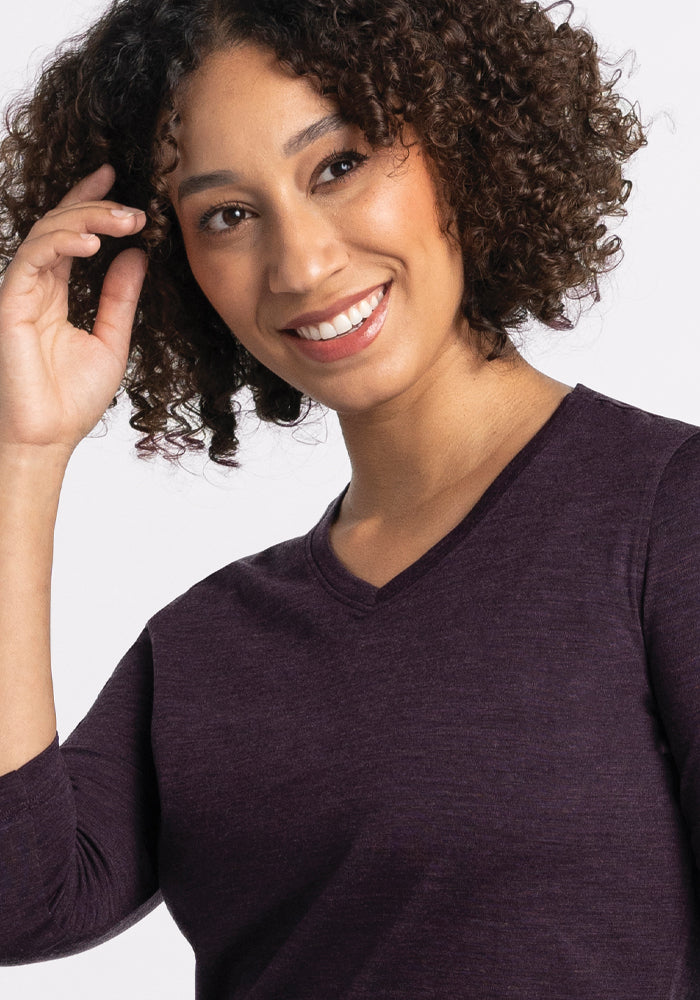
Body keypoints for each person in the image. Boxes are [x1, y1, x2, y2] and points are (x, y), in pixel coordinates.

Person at [0, 0, 698, 997]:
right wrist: (21, 455)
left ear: (458, 137)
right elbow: (20, 898)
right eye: (227, 215)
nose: (302, 262)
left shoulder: (664, 519)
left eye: (338, 165)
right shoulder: (207, 646)